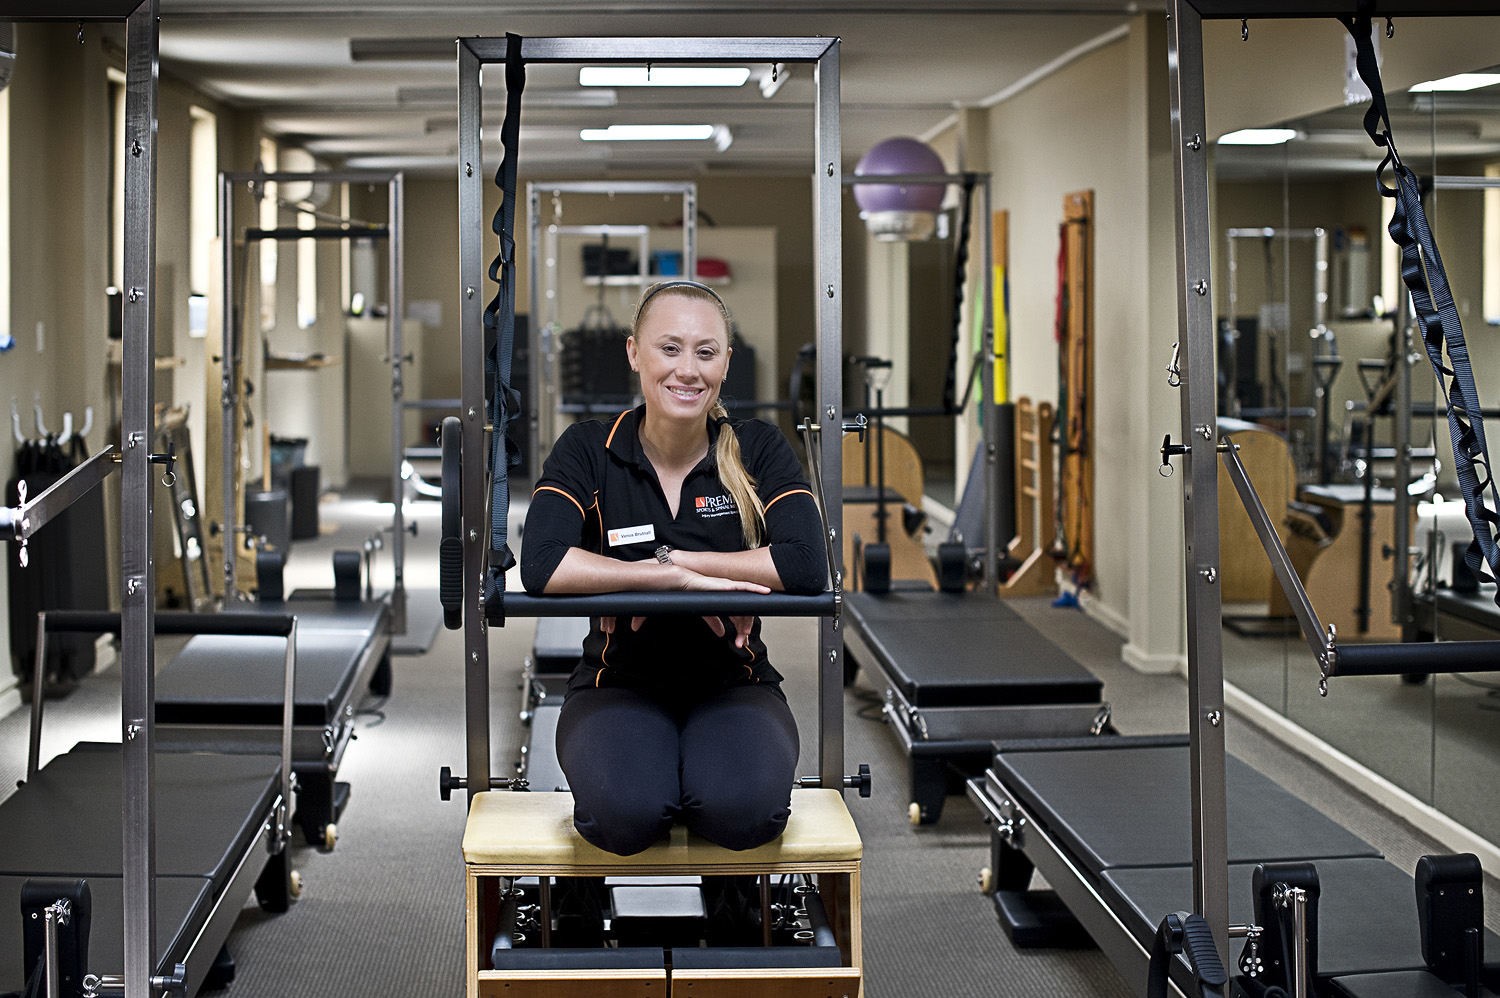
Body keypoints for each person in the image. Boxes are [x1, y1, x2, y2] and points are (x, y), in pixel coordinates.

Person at [520, 280, 826, 858]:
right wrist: (671, 580)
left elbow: (807, 563)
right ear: (634, 353)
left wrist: (681, 559)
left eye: (705, 352)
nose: (688, 370)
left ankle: (735, 896)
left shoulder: (756, 448)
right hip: (617, 685)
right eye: (669, 348)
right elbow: (541, 563)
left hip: (733, 684)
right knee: (627, 816)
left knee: (744, 815)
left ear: (726, 364)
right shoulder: (588, 448)